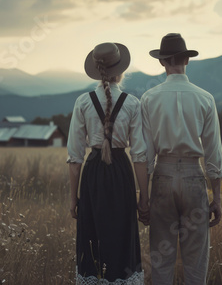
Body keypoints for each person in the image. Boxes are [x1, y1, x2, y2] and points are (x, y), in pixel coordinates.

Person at [140, 33, 222, 284]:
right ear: (186, 60)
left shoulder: (149, 98)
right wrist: (217, 197)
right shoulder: (205, 98)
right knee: (195, 263)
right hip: (193, 178)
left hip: (163, 178)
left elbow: (145, 155)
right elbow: (213, 153)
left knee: (161, 262)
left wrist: (144, 199)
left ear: (161, 62)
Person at [67, 42, 150, 284]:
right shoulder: (133, 103)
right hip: (121, 172)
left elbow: (74, 157)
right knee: (121, 235)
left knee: (93, 236)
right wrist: (144, 198)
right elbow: (140, 156)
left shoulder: (83, 102)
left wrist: (73, 198)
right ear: (120, 71)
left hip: (92, 173)